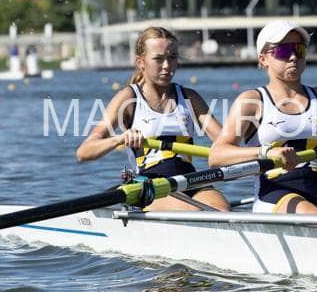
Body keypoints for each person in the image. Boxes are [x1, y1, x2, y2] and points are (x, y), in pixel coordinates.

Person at [208, 20, 317, 215]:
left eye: (299, 50)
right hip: (275, 192)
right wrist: (266, 152)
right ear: (263, 59)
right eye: (283, 51)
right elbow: (217, 155)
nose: (293, 57)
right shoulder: (251, 101)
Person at [77, 26, 229, 212]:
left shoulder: (190, 97)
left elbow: (225, 144)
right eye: (158, 59)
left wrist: (258, 151)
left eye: (172, 57)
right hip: (149, 186)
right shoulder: (128, 99)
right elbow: (84, 152)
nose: (167, 66)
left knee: (222, 211)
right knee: (194, 211)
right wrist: (120, 139)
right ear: (140, 62)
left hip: (190, 179)